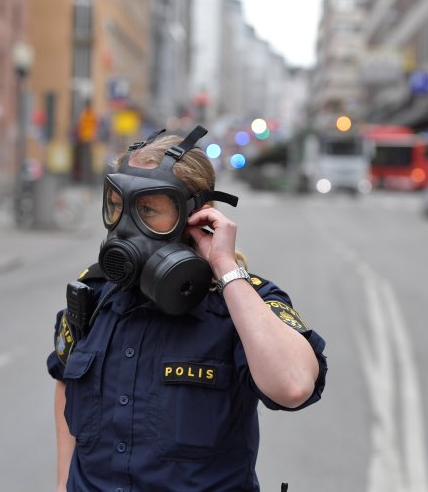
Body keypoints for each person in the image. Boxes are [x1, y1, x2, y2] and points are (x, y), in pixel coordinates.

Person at [46, 126, 328, 491]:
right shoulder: (95, 294)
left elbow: (292, 386)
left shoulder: (241, 303)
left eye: (147, 208)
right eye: (117, 206)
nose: (125, 224)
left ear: (197, 215)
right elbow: (65, 383)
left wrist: (226, 268)